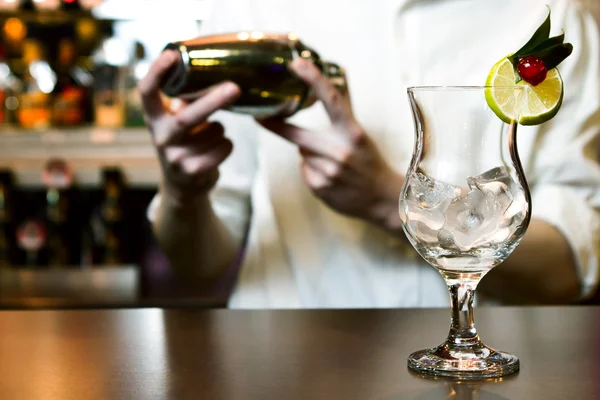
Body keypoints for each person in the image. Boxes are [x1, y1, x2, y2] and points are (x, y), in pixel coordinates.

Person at [140, 0, 600, 308]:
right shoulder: (249, 10)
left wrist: (386, 198)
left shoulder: (550, 16)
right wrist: (184, 190)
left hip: (488, 374)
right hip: (286, 365)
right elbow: (198, 266)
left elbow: (566, 269)